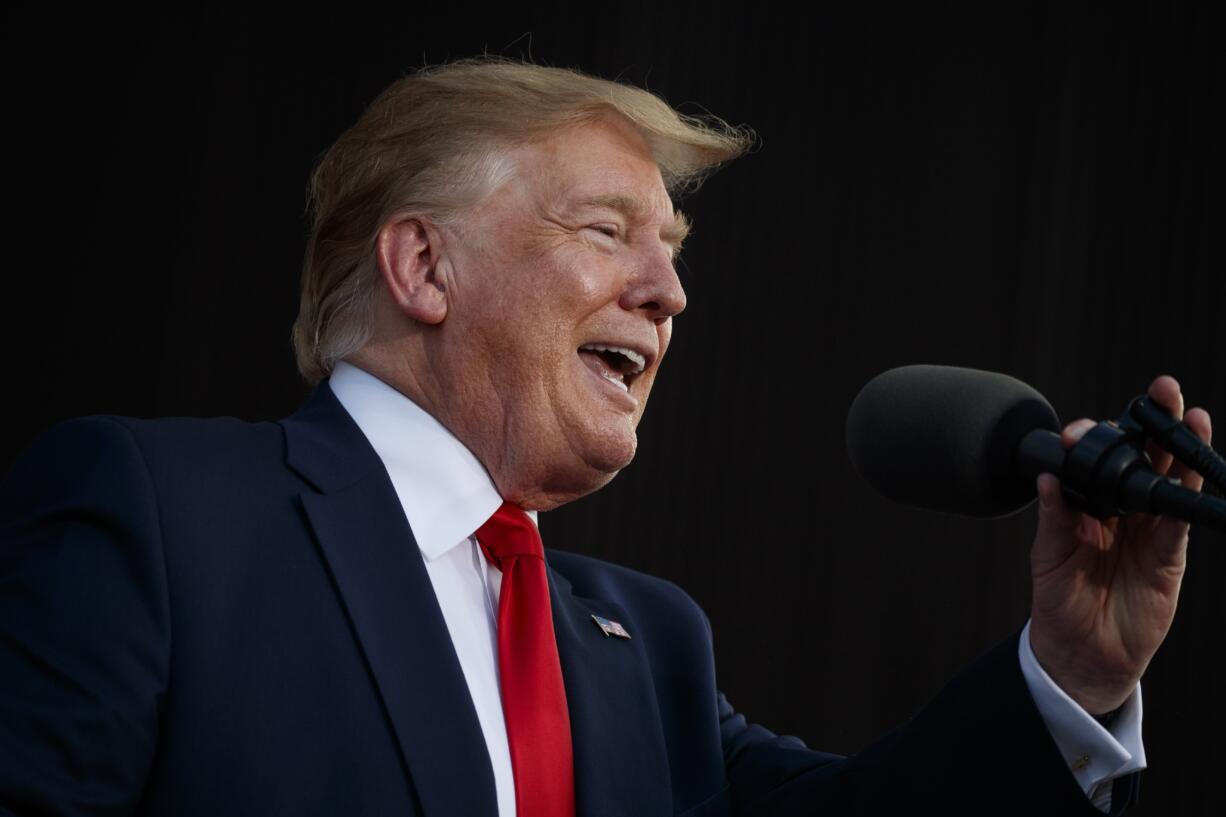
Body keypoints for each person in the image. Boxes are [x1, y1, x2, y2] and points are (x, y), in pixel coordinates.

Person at [0, 57, 1213, 817]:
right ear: (423, 264)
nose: (666, 295)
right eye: (604, 230)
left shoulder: (645, 644)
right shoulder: (158, 515)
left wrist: (1076, 672)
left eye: (673, 258)